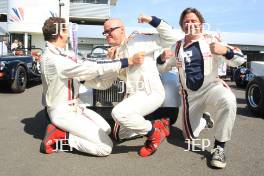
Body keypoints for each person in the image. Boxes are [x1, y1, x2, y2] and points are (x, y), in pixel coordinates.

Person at [40, 17, 145, 156]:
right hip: (62, 112)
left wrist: (111, 59)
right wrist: (127, 61)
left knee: (107, 129)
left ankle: (63, 132)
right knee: (105, 148)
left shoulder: (64, 54)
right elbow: (92, 68)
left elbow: (88, 71)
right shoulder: (55, 60)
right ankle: (62, 137)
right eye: (66, 30)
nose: (69, 33)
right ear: (60, 33)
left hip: (76, 107)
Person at [157, 7, 246, 168]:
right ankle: (204, 118)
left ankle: (219, 147)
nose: (189, 23)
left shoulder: (212, 39)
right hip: (189, 95)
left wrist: (226, 51)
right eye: (186, 21)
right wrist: (162, 58)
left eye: (193, 21)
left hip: (211, 87)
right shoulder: (176, 47)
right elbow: (162, 68)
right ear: (182, 26)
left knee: (229, 100)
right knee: (189, 137)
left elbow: (239, 60)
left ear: (201, 24)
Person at [103, 15, 178, 157]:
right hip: (134, 95)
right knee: (119, 135)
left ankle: (155, 133)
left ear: (122, 30)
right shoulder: (118, 51)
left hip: (150, 92)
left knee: (118, 113)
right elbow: (122, 76)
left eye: (110, 30)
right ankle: (158, 123)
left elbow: (171, 37)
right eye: (105, 32)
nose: (107, 35)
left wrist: (151, 20)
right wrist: (114, 60)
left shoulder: (137, 40)